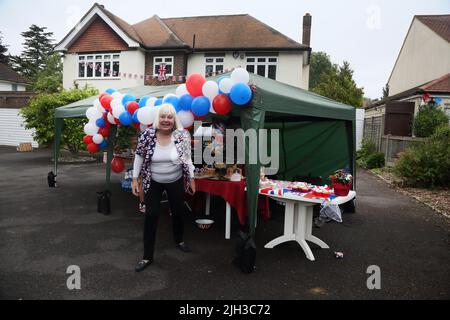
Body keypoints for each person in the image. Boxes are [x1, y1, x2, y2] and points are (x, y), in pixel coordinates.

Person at [132, 103, 196, 272]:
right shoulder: (148, 135)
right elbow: (139, 157)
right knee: (151, 215)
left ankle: (179, 240)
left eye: (169, 117)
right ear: (157, 119)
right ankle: (147, 256)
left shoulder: (181, 136)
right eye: (163, 116)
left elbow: (187, 159)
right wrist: (134, 178)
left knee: (178, 211)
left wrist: (192, 178)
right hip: (153, 180)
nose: (166, 120)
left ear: (174, 120)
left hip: (175, 179)